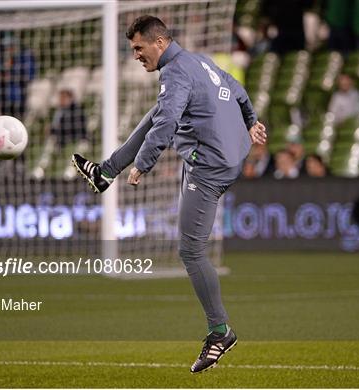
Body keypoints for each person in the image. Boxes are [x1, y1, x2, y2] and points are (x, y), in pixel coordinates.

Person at [71, 15, 267, 373]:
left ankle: (220, 330)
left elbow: (168, 124)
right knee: (155, 111)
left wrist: (143, 164)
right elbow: (237, 89)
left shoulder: (175, 74)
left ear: (158, 43)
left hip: (211, 166)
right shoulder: (198, 61)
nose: (135, 55)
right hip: (233, 151)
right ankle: (104, 172)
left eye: (138, 48)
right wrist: (252, 121)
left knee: (190, 251)